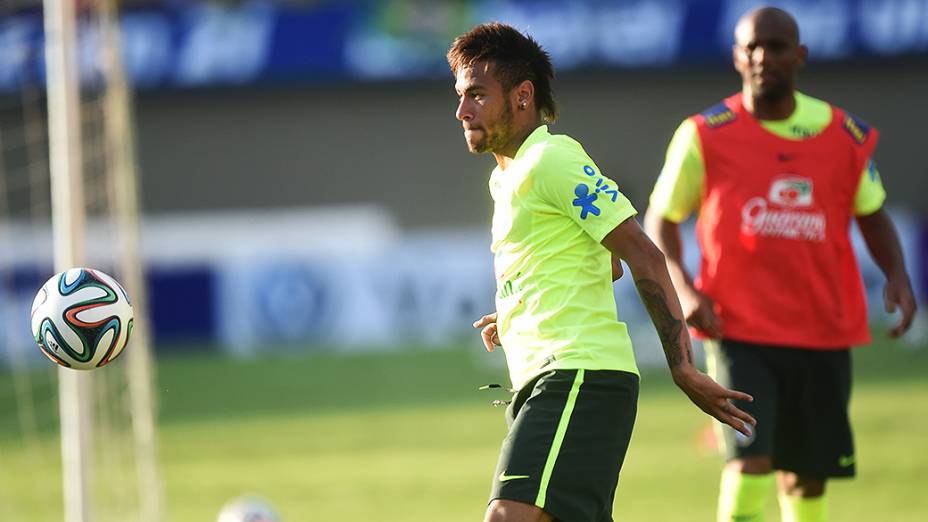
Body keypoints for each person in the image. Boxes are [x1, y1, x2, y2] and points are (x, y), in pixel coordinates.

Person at [448, 22, 756, 522]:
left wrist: (682, 366)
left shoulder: (552, 159)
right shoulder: (505, 178)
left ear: (522, 96)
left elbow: (642, 254)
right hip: (553, 380)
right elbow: (601, 260)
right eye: (461, 96)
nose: (462, 110)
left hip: (575, 376)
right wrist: (518, 310)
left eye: (477, 95)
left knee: (507, 517)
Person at [644, 7, 917, 522]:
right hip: (737, 327)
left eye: (775, 45)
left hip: (824, 328)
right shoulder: (703, 134)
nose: (763, 56)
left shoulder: (844, 135)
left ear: (801, 55)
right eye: (752, 47)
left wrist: (898, 276)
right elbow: (662, 219)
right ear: (736, 57)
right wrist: (684, 285)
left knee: (807, 475)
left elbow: (873, 214)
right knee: (749, 461)